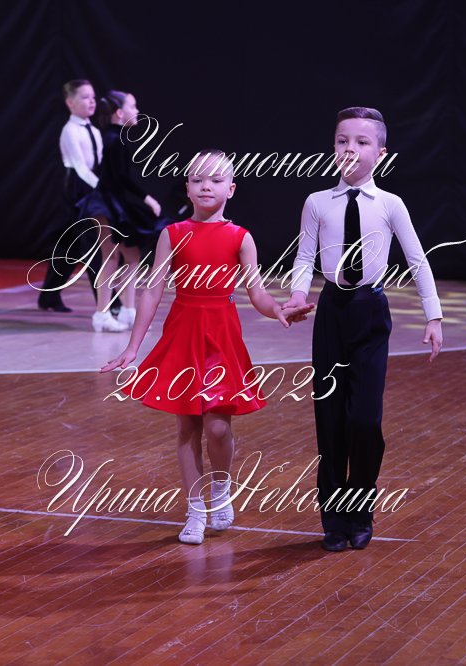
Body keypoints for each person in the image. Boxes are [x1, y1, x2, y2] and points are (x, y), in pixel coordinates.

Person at [101, 150, 313, 545]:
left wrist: (278, 311)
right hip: (183, 333)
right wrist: (133, 347)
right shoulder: (173, 234)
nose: (205, 186)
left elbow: (257, 292)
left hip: (221, 336)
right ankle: (195, 510)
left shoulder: (240, 237)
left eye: (215, 180)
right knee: (187, 426)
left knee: (217, 427)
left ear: (231, 189)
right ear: (187, 187)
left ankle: (221, 487)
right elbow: (152, 290)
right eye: (198, 179)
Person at [284, 107, 443, 552]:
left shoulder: (390, 204)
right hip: (331, 312)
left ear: (381, 153)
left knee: (365, 419)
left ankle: (361, 508)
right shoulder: (317, 202)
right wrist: (297, 294)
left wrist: (433, 316)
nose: (350, 149)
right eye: (342, 141)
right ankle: (334, 520)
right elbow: (304, 257)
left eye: (361, 141)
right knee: (330, 418)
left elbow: (417, 260)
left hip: (371, 312)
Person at [80, 90, 163, 331]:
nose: (137, 111)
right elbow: (120, 179)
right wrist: (147, 198)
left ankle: (128, 311)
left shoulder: (115, 138)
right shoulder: (113, 139)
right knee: (111, 256)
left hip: (113, 201)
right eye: (133, 107)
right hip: (104, 203)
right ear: (119, 113)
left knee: (132, 255)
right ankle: (102, 314)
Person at [38, 79, 103, 316]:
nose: (91, 102)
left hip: (91, 184)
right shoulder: (69, 130)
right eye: (85, 97)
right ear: (70, 103)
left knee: (70, 247)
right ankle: (110, 302)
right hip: (75, 188)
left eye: (93, 97)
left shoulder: (94, 131)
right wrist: (101, 188)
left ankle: (49, 295)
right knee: (92, 245)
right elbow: (79, 167)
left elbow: (97, 164)